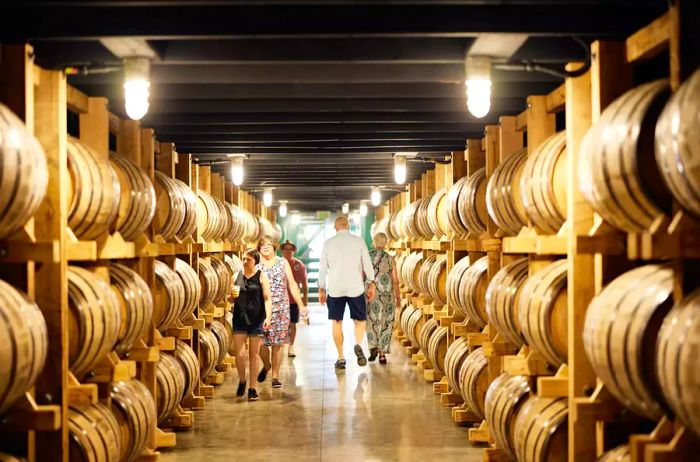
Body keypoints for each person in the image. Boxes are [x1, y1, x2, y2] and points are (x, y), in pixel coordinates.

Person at [319, 216, 376, 369]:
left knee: (337, 322)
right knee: (359, 321)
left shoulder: (328, 243)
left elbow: (323, 268)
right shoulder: (358, 241)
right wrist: (371, 282)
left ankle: (341, 357)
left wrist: (321, 288)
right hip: (355, 287)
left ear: (335, 227)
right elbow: (367, 263)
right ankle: (358, 344)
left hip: (335, 288)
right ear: (348, 226)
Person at [256, 236, 307, 388]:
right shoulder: (256, 263)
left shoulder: (282, 262)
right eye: (262, 245)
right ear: (259, 248)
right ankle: (266, 365)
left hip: (281, 308)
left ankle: (275, 377)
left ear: (274, 247)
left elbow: (292, 284)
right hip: (260, 308)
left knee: (277, 344)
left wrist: (301, 304)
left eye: (269, 245)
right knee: (260, 343)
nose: (266, 247)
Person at [230, 249, 272, 401]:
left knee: (253, 355)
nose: (245, 261)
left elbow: (267, 298)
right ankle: (242, 380)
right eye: (244, 259)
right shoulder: (236, 276)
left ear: (255, 261)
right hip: (239, 318)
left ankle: (252, 388)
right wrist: (230, 295)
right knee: (239, 354)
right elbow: (230, 300)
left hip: (256, 319)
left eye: (248, 259)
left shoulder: (261, 276)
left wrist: (268, 317)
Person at [365, 232, 401, 364]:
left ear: (374, 242)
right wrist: (398, 297)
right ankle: (382, 354)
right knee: (386, 323)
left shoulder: (368, 256)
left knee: (372, 321)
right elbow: (395, 280)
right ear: (385, 243)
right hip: (387, 295)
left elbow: (363, 275)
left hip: (372, 295)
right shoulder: (390, 258)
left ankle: (373, 346)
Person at [281, 240, 309, 357]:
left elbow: (304, 283)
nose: (288, 251)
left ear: (294, 251)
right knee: (282, 324)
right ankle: (280, 345)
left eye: (290, 249)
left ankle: (291, 346)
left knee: (292, 323)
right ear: (282, 251)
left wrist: (305, 299)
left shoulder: (299, 265)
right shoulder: (278, 264)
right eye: (285, 249)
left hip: (293, 300)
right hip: (279, 299)